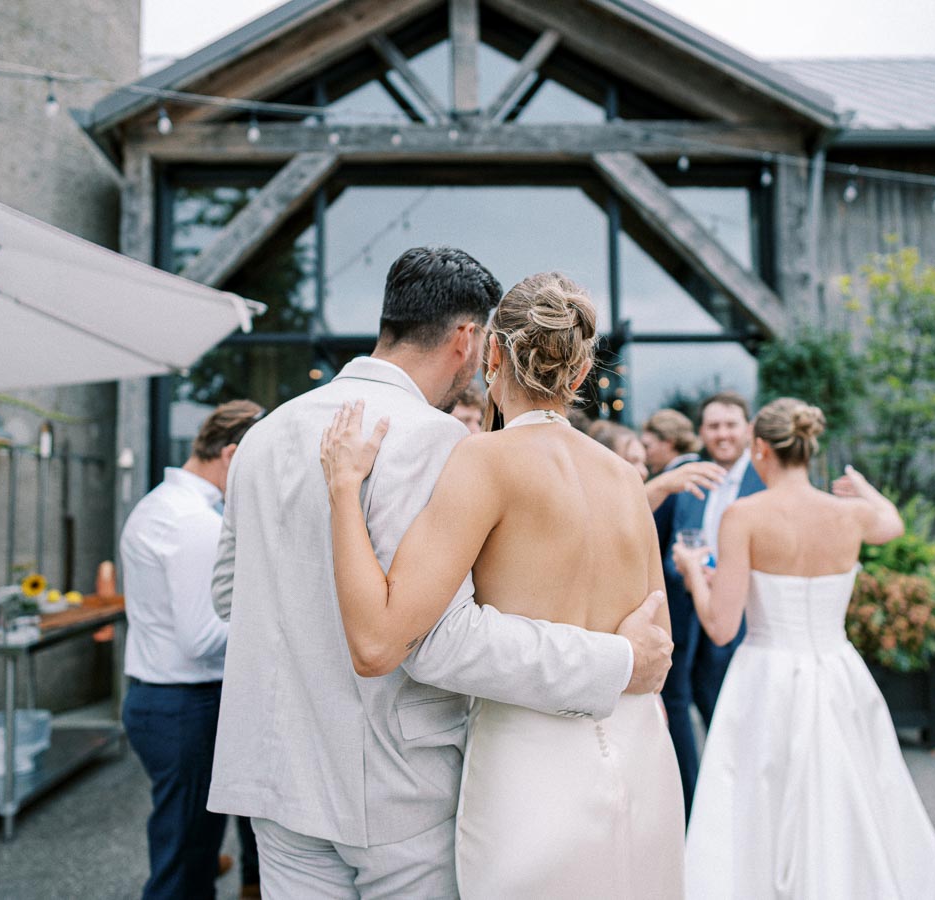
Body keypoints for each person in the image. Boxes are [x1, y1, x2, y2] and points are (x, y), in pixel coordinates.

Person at [208, 248, 673, 898]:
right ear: (467, 339)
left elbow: (231, 596)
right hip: (398, 781)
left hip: (275, 775)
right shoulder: (436, 440)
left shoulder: (265, 434)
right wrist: (617, 662)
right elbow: (442, 638)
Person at [674, 398, 935, 899]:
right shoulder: (850, 516)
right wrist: (866, 491)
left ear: (760, 447)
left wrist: (692, 576)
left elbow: (721, 628)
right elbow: (892, 523)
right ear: (808, 449)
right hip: (838, 673)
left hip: (765, 676)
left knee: (759, 805)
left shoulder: (744, 515)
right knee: (851, 797)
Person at [119, 400, 265, 900]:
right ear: (231, 454)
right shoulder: (192, 522)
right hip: (186, 706)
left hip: (162, 701)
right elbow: (202, 637)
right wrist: (273, 622)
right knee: (182, 866)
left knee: (191, 853)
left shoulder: (161, 504)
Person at [656, 390, 762, 820]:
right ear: (701, 432)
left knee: (733, 708)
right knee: (680, 703)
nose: (722, 434)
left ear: (748, 429)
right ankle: (698, 804)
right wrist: (689, 567)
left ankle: (744, 801)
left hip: (744, 619)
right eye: (714, 426)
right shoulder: (689, 478)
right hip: (686, 613)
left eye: (731, 425)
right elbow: (667, 549)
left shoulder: (766, 479)